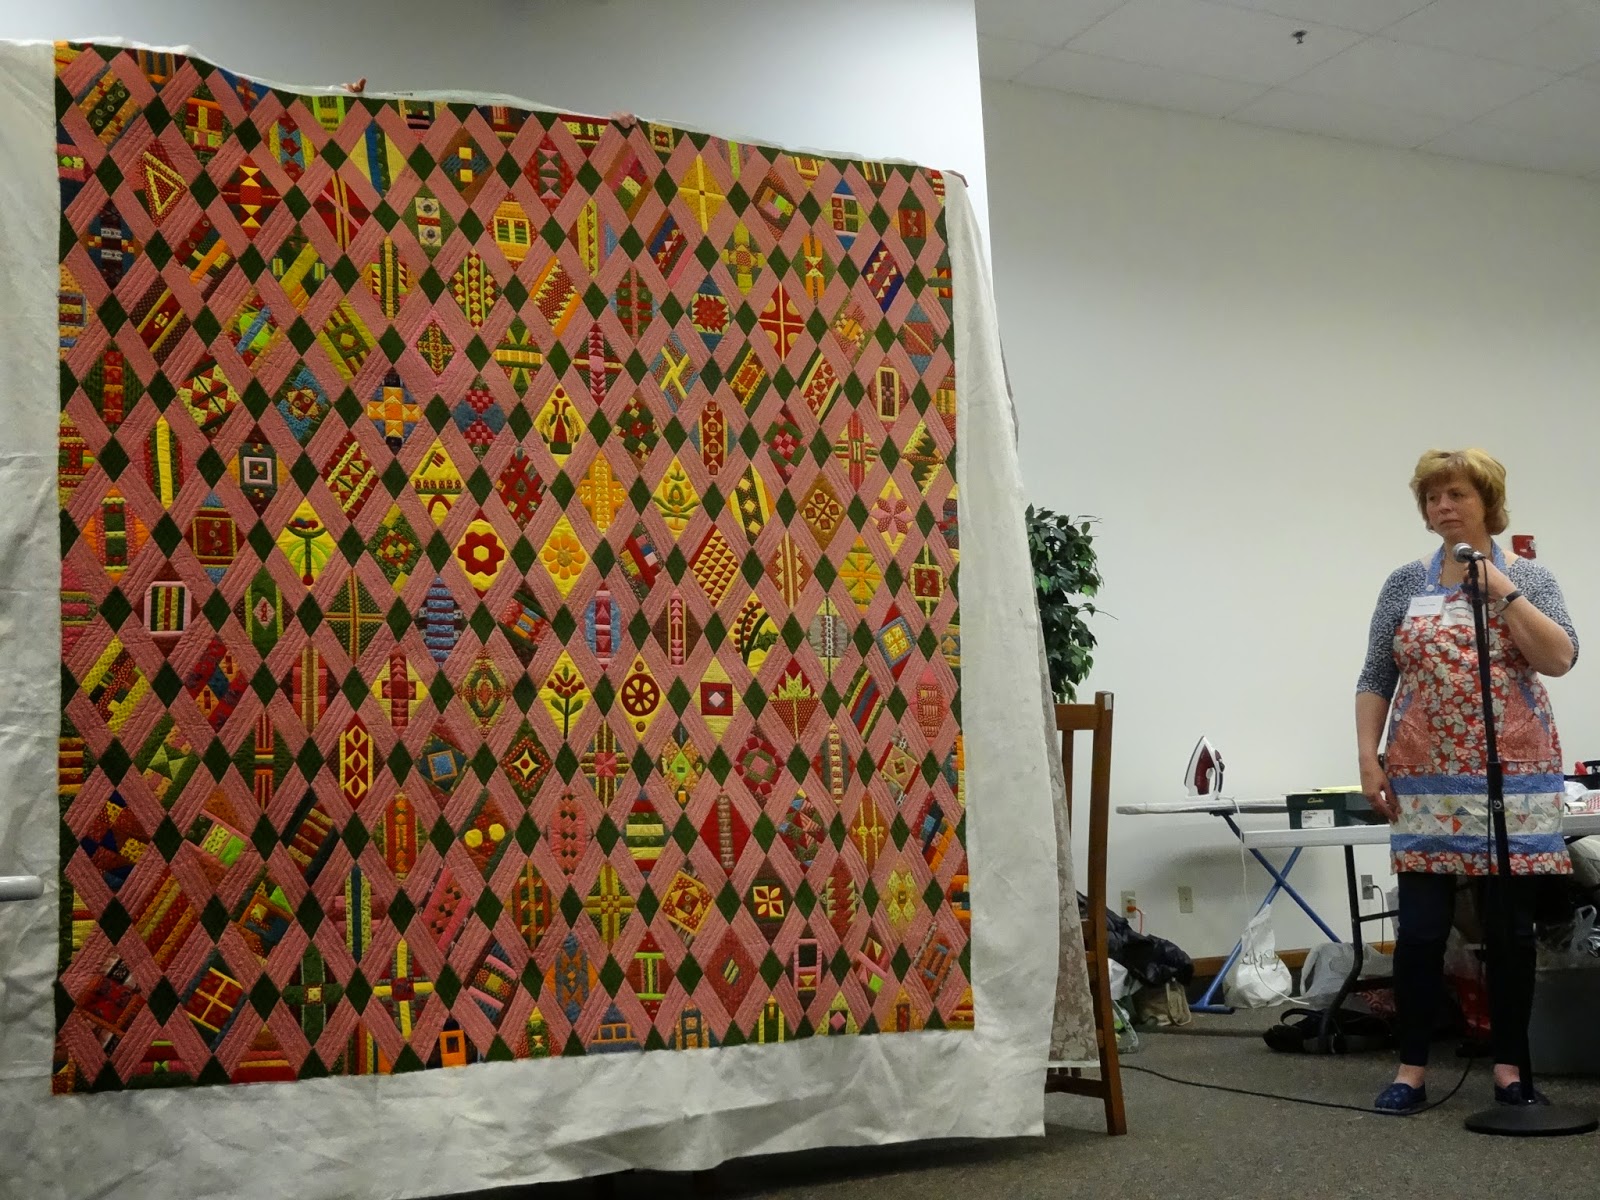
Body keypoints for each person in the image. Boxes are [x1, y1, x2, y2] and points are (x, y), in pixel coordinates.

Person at [1356, 448, 1578, 1114]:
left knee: (1510, 932)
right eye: (1432, 497)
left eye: (1456, 494)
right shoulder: (1405, 582)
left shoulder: (1529, 576)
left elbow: (1560, 658)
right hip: (1422, 775)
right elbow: (1376, 675)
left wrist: (1503, 592)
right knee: (1422, 931)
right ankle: (1412, 1068)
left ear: (1488, 503)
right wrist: (1368, 757)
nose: (1443, 507)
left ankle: (1509, 1068)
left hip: (1512, 775)